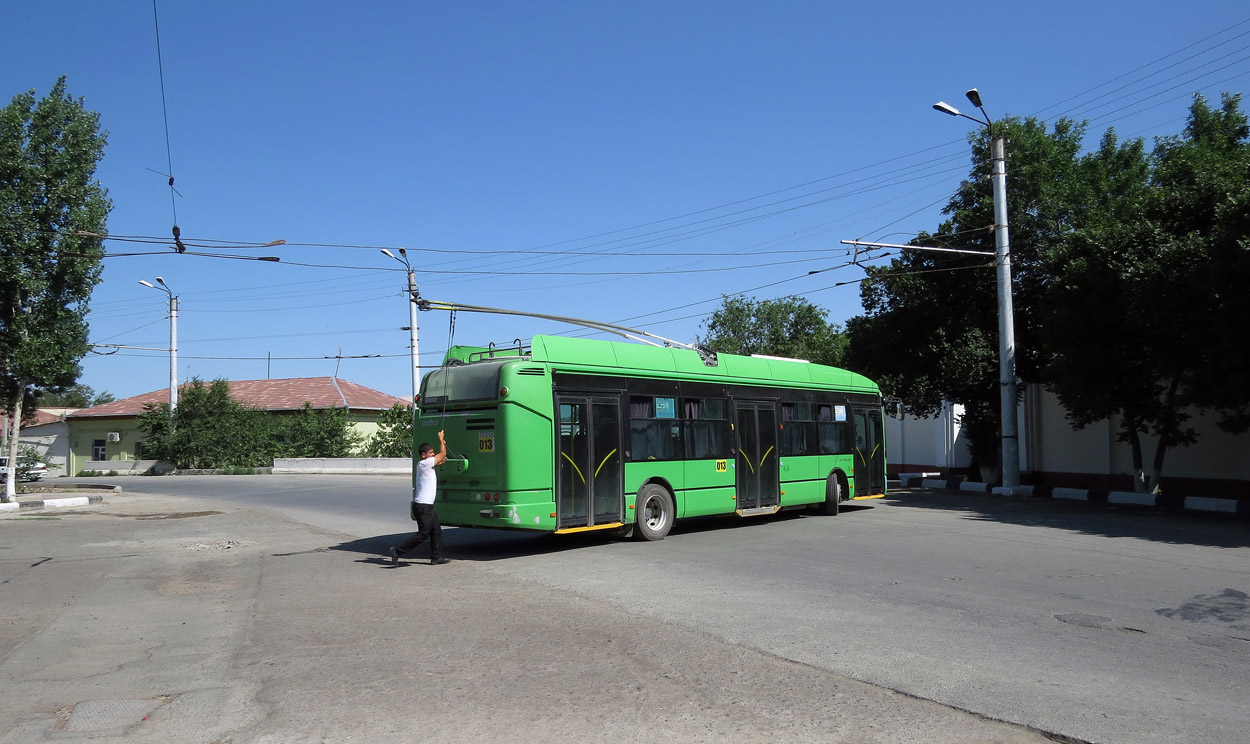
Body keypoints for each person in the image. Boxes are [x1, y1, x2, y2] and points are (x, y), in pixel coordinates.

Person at [388, 430, 451, 565]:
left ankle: (436, 557)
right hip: (423, 506)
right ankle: (397, 550)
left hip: (427, 506)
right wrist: (441, 439)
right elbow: (442, 455)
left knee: (436, 530)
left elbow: (442, 459)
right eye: (430, 452)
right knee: (423, 534)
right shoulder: (424, 464)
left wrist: (443, 445)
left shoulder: (425, 464)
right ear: (423, 455)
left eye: (433, 452)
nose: (433, 454)